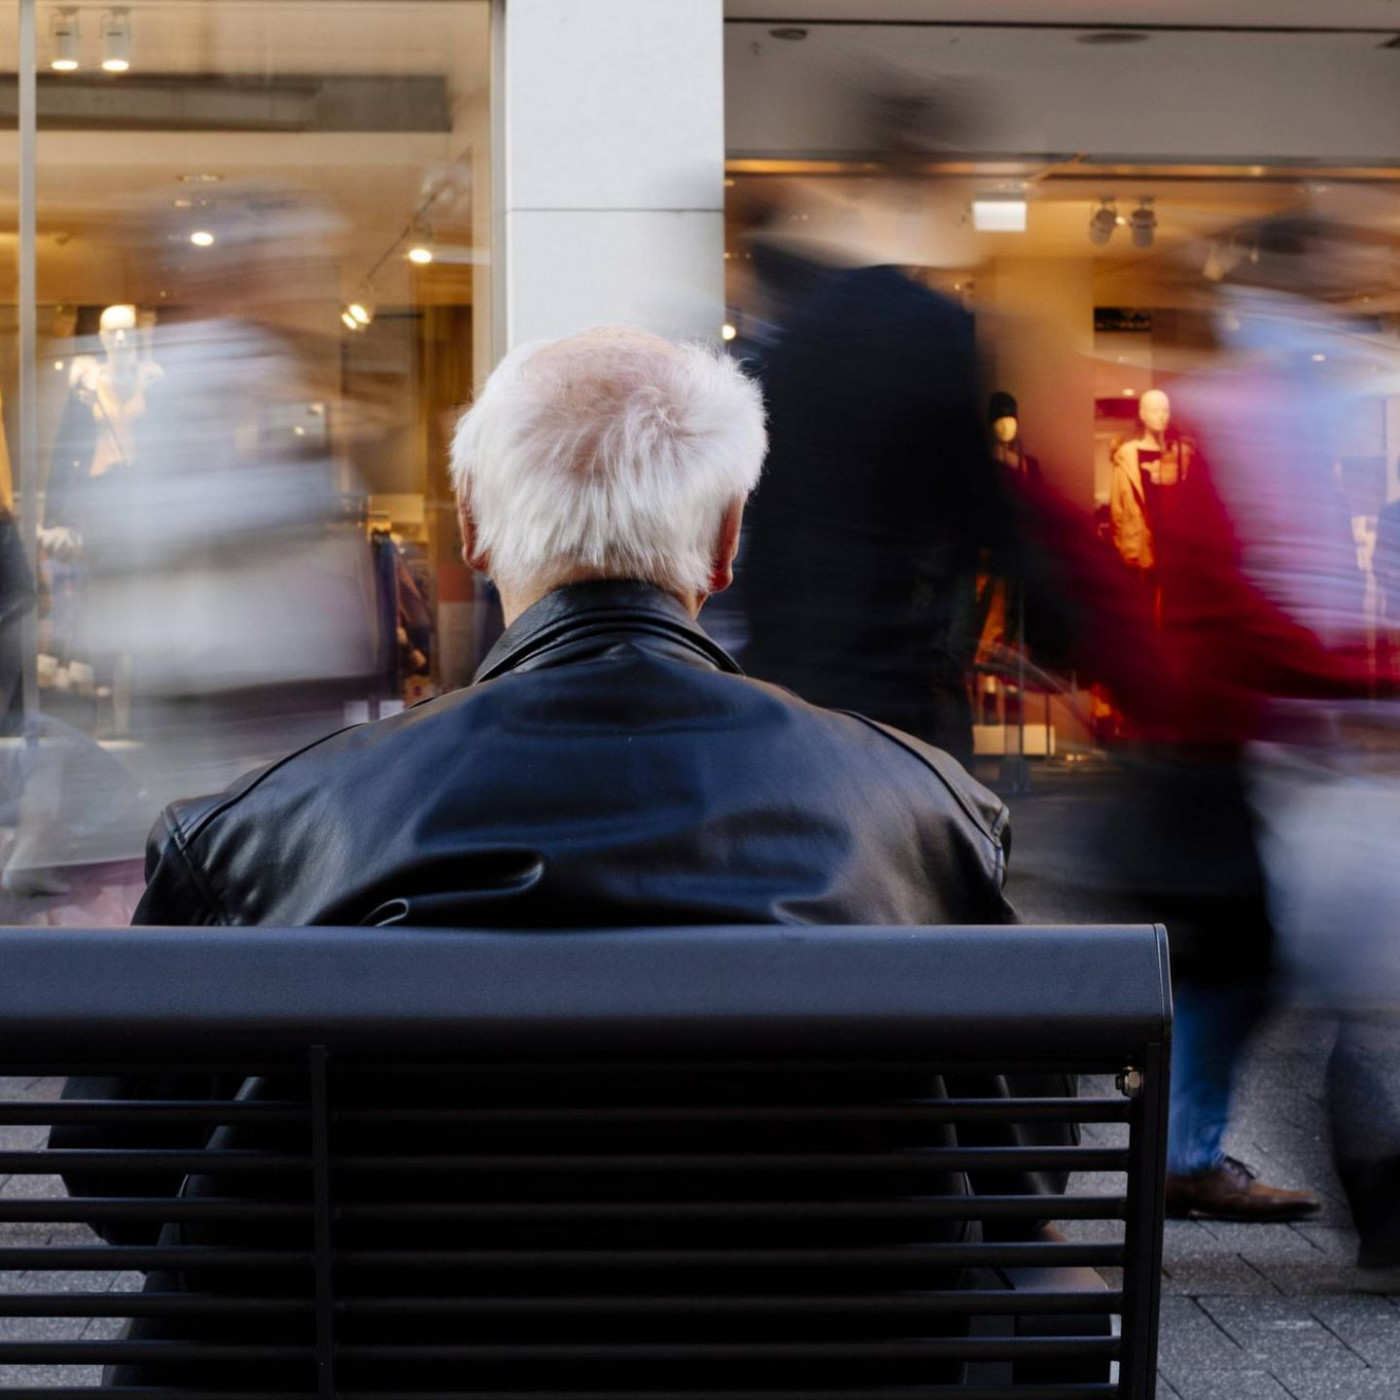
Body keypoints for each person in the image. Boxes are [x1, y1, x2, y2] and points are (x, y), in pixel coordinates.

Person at [68, 325, 1073, 1390]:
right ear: (727, 538)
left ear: (472, 528)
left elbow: (122, 1184)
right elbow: (1027, 1169)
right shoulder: (913, 807)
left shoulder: (267, 825)